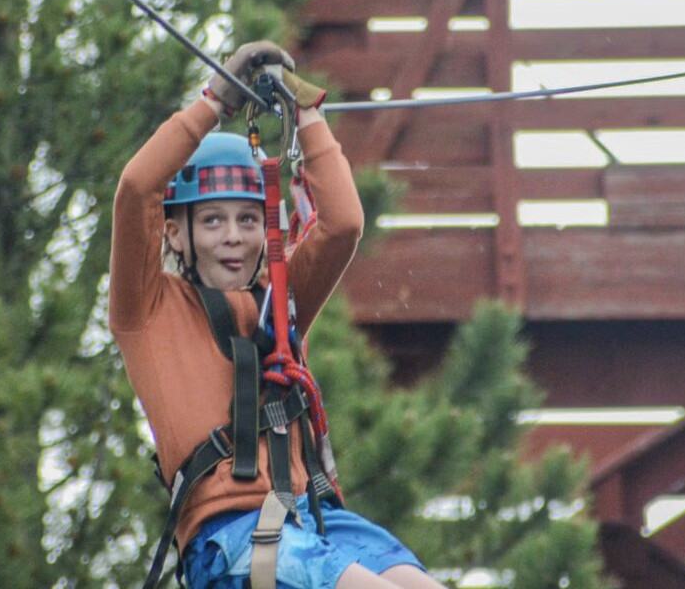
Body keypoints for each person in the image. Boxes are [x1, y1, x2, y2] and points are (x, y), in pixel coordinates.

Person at [108, 41, 445, 589]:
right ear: (176, 233)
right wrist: (214, 101)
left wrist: (305, 112)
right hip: (231, 538)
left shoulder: (278, 304)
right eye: (212, 221)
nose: (233, 237)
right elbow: (136, 189)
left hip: (313, 519)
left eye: (248, 220)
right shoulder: (146, 311)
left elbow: (342, 225)